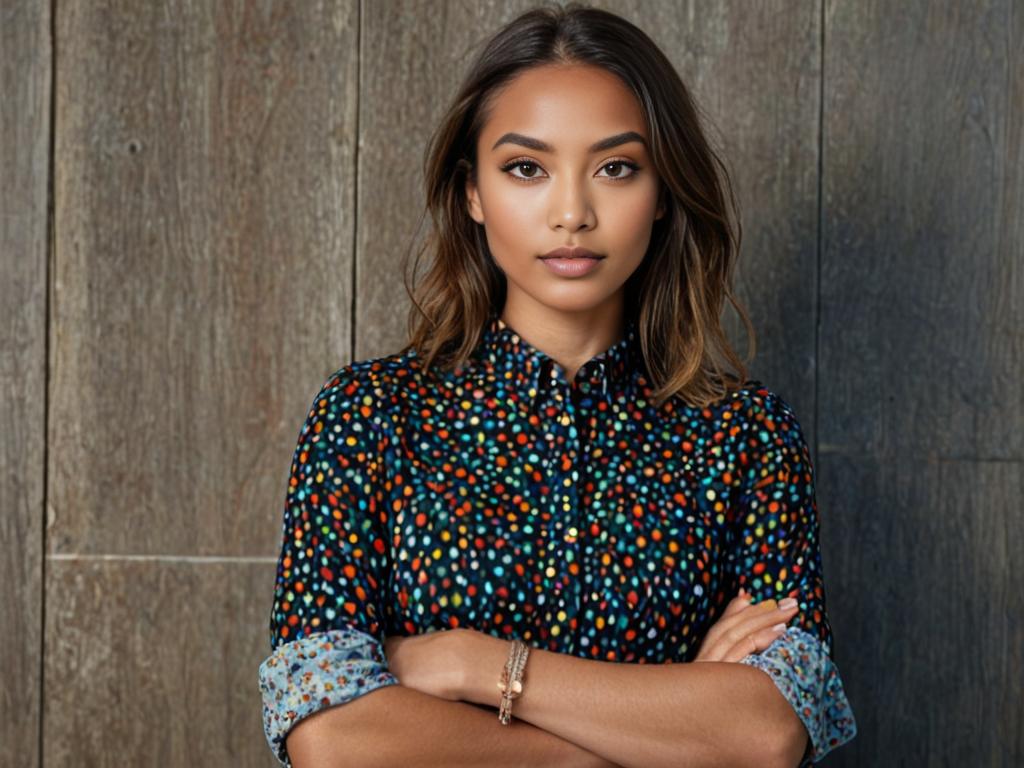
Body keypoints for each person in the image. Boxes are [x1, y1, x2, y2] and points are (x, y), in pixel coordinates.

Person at [258, 3, 857, 767]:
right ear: (472, 192)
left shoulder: (748, 434)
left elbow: (768, 733)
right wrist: (656, 731)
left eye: (616, 168)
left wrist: (473, 665)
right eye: (526, 168)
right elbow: (331, 739)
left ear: (664, 191)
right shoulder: (369, 416)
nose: (572, 213)